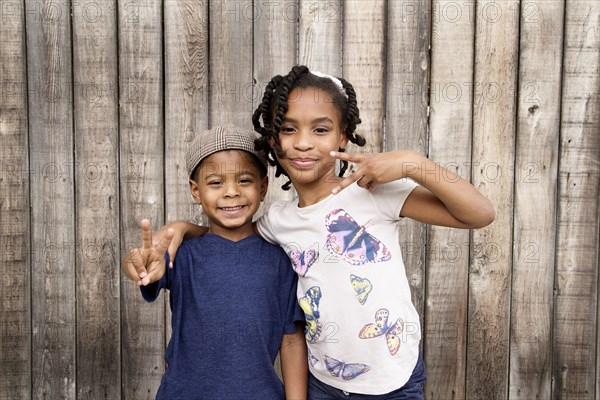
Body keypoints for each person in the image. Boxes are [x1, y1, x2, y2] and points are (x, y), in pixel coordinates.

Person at [126, 66, 495, 399]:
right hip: (324, 382)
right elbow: (229, 235)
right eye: (288, 129)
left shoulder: (374, 193)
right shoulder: (278, 223)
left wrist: (415, 164)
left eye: (320, 129)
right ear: (273, 140)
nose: (303, 142)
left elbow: (478, 214)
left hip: (394, 379)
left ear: (343, 136)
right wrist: (181, 228)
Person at [121, 123, 307, 400]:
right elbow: (142, 264)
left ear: (263, 186)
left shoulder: (281, 260)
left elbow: (291, 340)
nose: (231, 192)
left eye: (244, 180)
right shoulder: (182, 254)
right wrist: (135, 262)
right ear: (196, 191)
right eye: (216, 182)